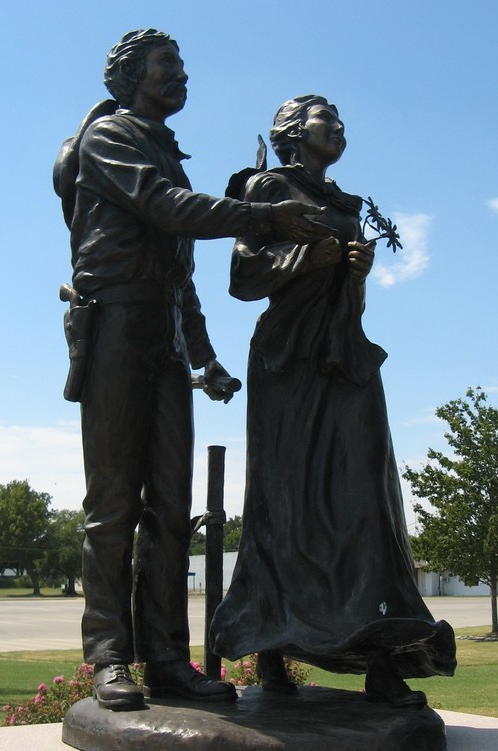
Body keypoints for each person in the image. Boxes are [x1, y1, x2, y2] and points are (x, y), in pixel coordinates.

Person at [53, 34, 330, 711]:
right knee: (113, 504)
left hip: (166, 341)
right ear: (129, 76)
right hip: (115, 325)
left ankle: (168, 660)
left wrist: (204, 358)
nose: (181, 76)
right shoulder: (110, 139)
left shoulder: (167, 153)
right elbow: (167, 209)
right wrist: (263, 214)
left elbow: (182, 278)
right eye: (167, 66)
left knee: (172, 510)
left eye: (181, 66)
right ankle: (110, 657)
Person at [210, 95, 456, 706]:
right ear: (294, 131)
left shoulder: (344, 203)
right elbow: (242, 281)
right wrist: (307, 257)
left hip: (345, 360)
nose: (341, 128)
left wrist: (355, 273)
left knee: (365, 503)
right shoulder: (267, 187)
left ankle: (382, 654)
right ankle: (271, 649)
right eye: (328, 118)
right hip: (289, 365)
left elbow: (341, 293)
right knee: (285, 505)